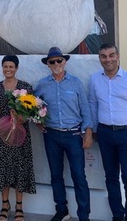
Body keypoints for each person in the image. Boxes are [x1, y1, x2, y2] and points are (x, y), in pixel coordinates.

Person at [88, 43, 127, 221]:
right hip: (105, 134)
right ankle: (117, 214)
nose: (108, 59)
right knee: (111, 177)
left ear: (118, 56)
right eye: (104, 56)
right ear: (99, 58)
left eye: (111, 55)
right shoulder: (94, 80)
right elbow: (93, 104)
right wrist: (92, 129)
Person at [35, 47, 93, 221]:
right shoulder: (43, 84)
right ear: (48, 65)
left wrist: (88, 131)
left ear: (64, 61)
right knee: (55, 174)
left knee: (78, 175)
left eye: (59, 60)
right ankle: (62, 210)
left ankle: (84, 215)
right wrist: (38, 120)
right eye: (52, 62)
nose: (56, 64)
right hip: (51, 135)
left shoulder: (75, 83)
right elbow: (34, 105)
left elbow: (85, 108)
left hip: (74, 135)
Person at [0, 55, 36, 221]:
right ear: (2, 68)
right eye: (5, 66)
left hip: (20, 135)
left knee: (20, 168)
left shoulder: (25, 87)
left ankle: (19, 207)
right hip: (2, 135)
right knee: (4, 168)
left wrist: (21, 117)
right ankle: (4, 205)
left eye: (11, 67)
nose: (8, 69)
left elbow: (32, 112)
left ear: (16, 68)